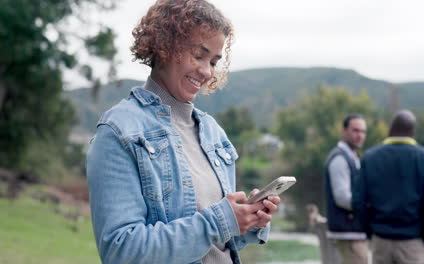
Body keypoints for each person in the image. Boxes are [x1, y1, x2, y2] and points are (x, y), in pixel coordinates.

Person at [86, 1, 281, 263]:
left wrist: (246, 220)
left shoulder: (212, 132)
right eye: (198, 56)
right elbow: (121, 251)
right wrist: (219, 220)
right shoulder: (119, 131)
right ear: (164, 45)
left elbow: (218, 243)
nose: (206, 71)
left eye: (213, 61)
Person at [353, 110, 424, 264]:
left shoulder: (370, 157)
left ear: (390, 130)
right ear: (412, 132)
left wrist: (370, 232)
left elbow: (358, 202)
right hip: (414, 242)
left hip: (381, 241)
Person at [324, 114, 369, 264]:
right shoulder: (340, 159)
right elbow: (342, 197)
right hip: (348, 233)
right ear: (344, 131)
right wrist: (369, 205)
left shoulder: (353, 157)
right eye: (355, 130)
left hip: (354, 233)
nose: (360, 135)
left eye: (363, 131)